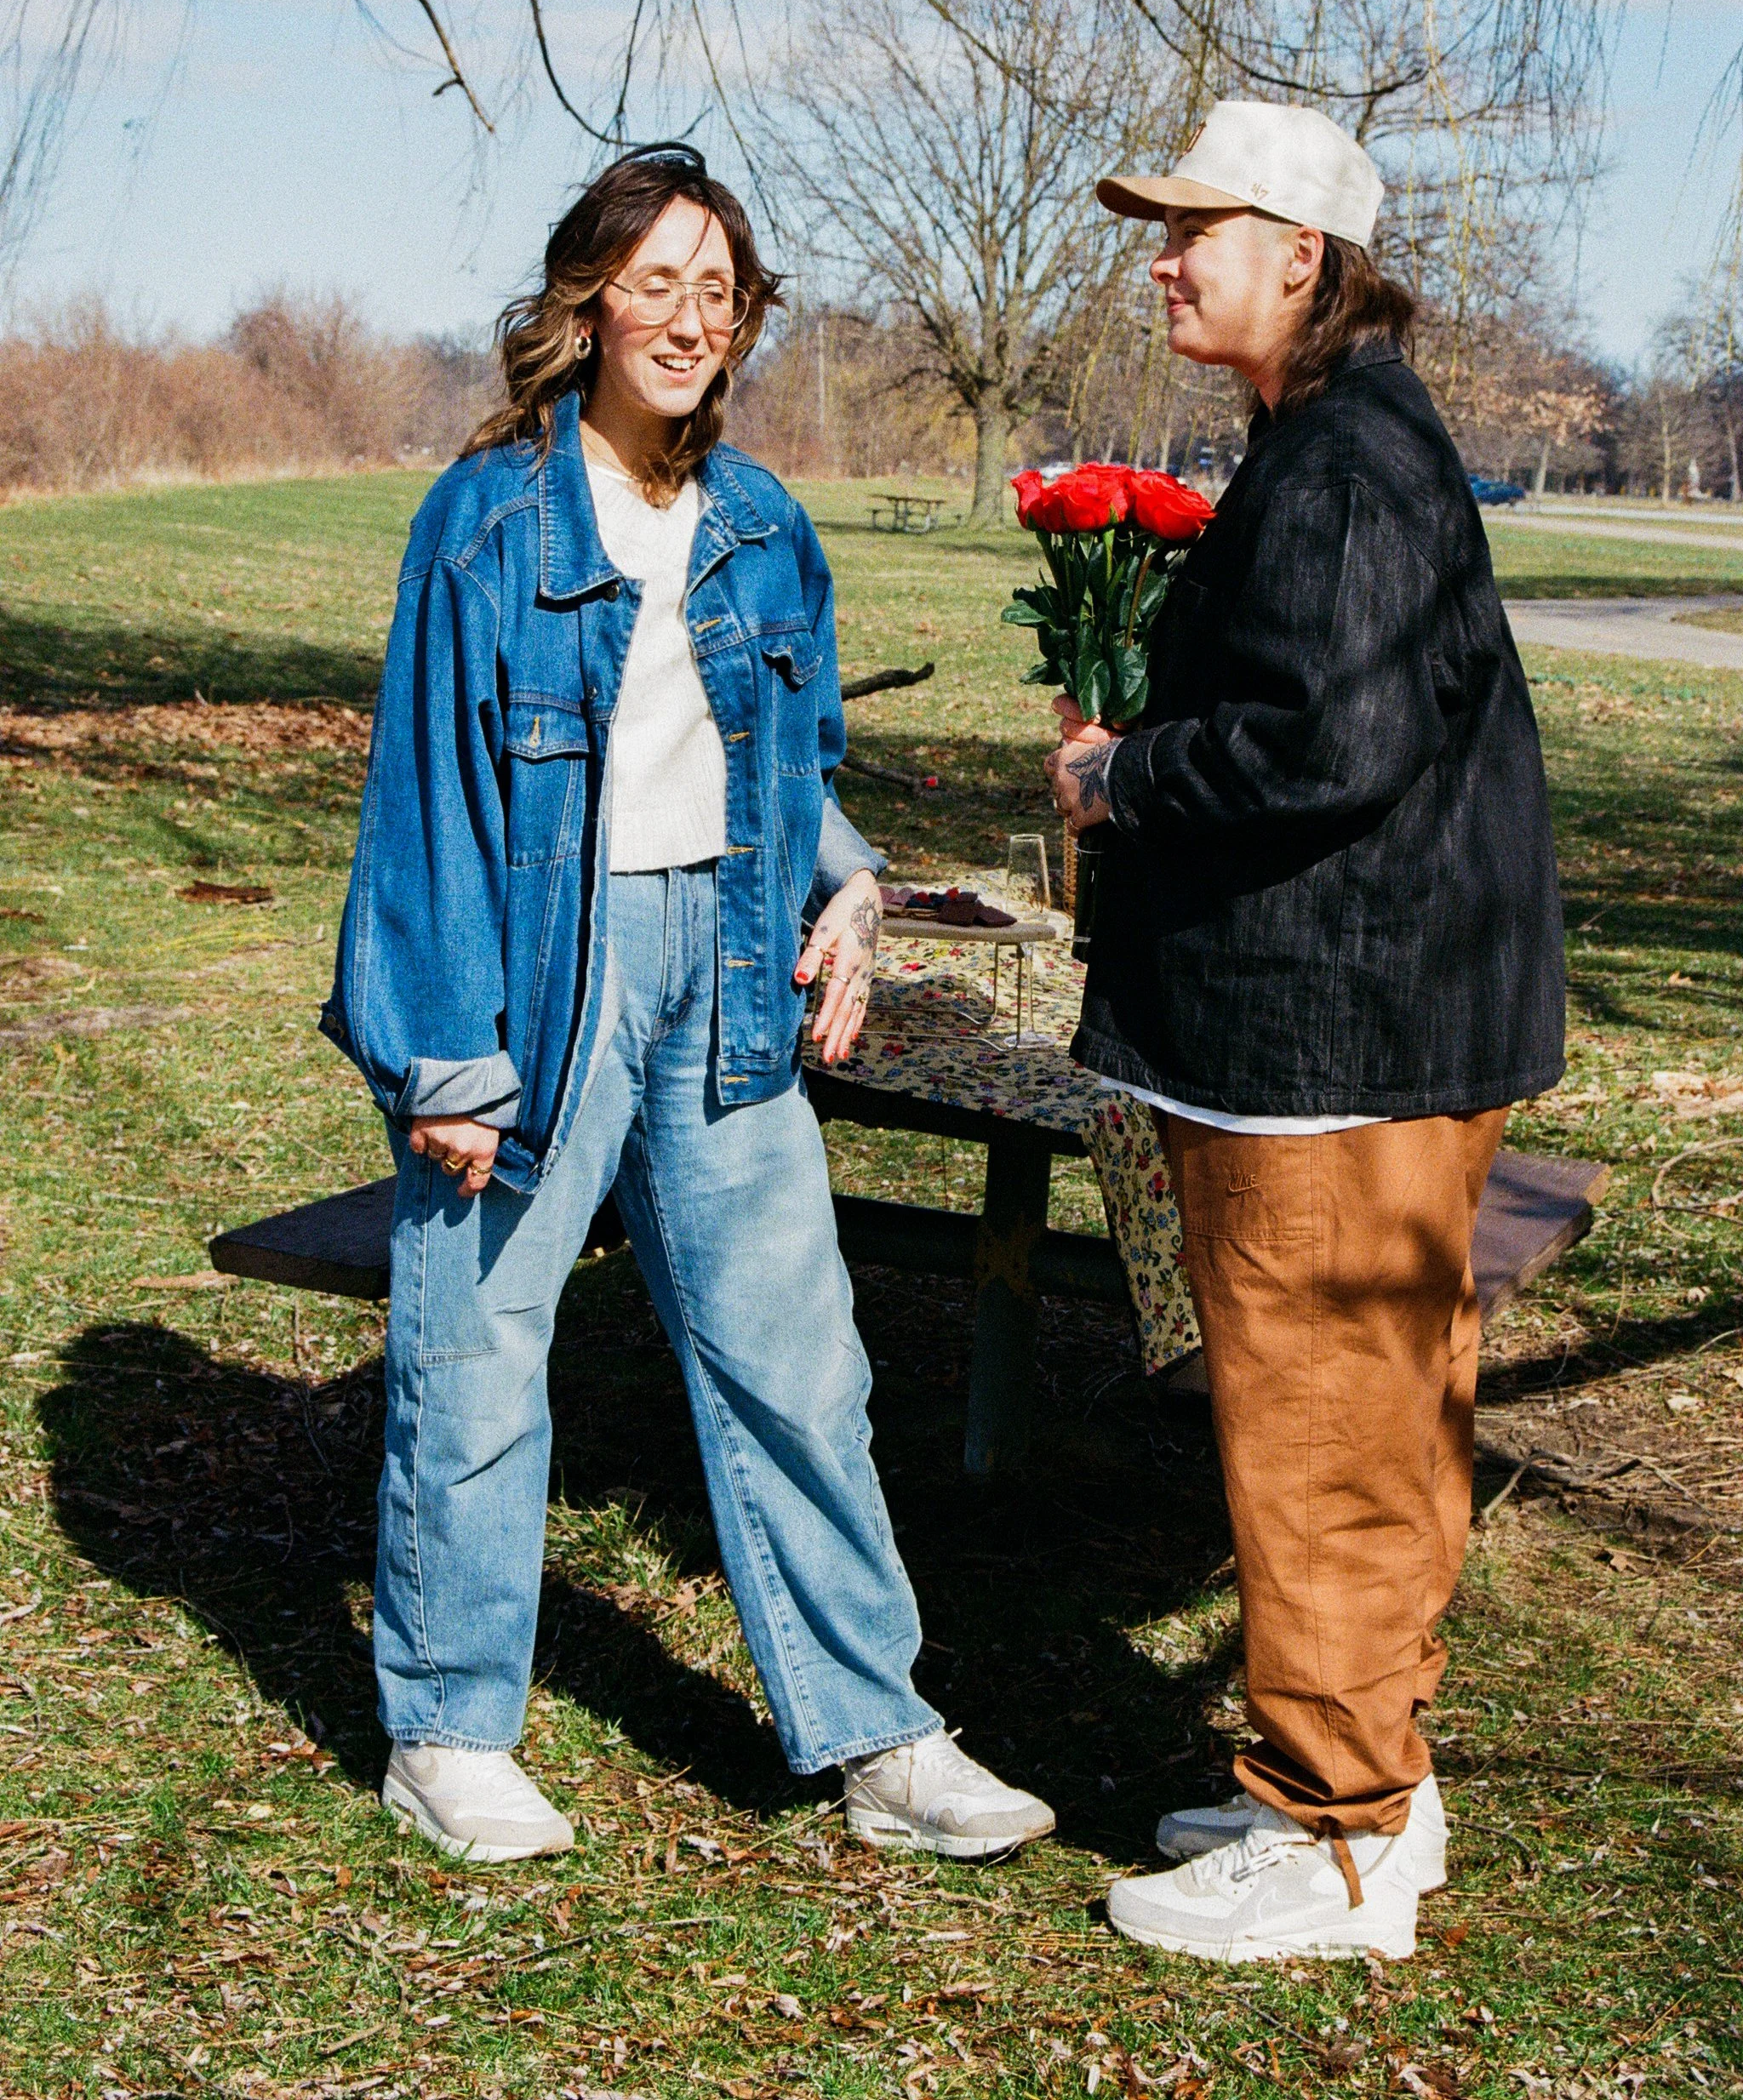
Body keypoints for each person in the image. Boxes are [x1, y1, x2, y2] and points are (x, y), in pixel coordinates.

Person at [323, 142, 1054, 1866]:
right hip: (532, 977)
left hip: (723, 977)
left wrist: (849, 876)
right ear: (586, 306)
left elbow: (787, 758)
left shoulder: (763, 524)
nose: (687, 317)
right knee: (478, 1351)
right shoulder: (488, 514)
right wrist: (439, 1051)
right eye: (654, 282)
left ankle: (880, 1726)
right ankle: (446, 1724)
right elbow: (425, 794)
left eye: (716, 292)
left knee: (799, 1359)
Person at [1043, 101, 1564, 1963]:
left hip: (1326, 1041)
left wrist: (1122, 772)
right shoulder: (1339, 439)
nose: (1165, 254)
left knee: (1320, 1426)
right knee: (1389, 1409)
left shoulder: (1340, 461)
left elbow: (1323, 746)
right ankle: (1374, 1783)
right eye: (1162, 226)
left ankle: (1330, 1834)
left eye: (1198, 224)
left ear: (1306, 257)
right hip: (1380, 1026)